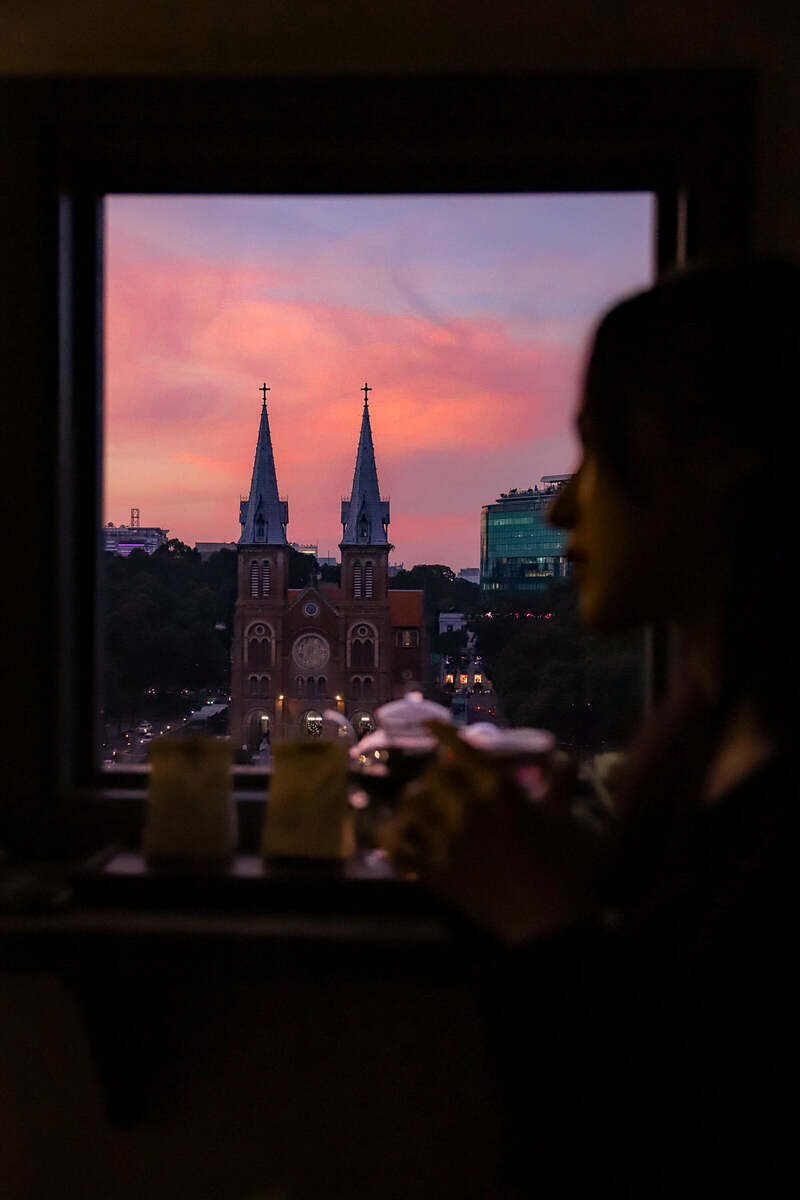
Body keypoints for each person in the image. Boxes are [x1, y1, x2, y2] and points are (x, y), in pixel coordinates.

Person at [386, 258, 797, 1196]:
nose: (562, 505)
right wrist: (575, 883)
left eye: (596, 453)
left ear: (722, 453)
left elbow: (657, 1141)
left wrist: (537, 913)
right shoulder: (714, 737)